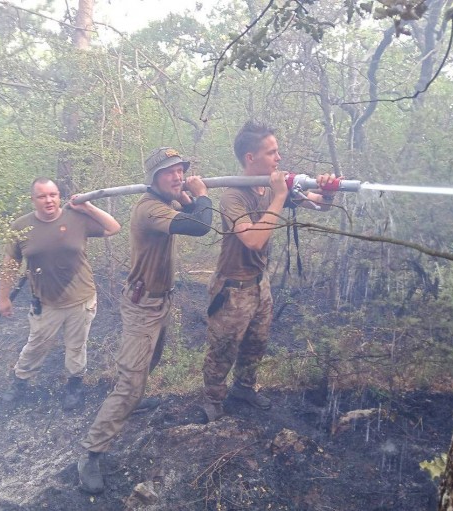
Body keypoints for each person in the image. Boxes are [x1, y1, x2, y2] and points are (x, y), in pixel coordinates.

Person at [77, 147, 213, 494]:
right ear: (153, 178)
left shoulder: (166, 202)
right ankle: (91, 452)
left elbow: (189, 210)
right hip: (143, 307)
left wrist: (185, 195)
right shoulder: (149, 209)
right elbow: (200, 225)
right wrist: (200, 196)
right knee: (130, 382)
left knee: (150, 362)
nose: (178, 176)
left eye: (181, 170)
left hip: (160, 301)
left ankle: (132, 400)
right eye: (169, 172)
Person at [201, 120, 337, 422]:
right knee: (223, 349)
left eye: (278, 152)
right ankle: (213, 399)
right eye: (272, 152)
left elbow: (320, 206)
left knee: (256, 344)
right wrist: (278, 196)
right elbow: (253, 239)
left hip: (260, 284)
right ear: (251, 158)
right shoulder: (233, 196)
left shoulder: (272, 187)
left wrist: (327, 192)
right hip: (231, 288)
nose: (279, 158)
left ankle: (244, 389)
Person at [0, 177, 121, 411]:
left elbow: (114, 227)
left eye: (53, 194)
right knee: (36, 345)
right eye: (42, 196)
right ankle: (20, 382)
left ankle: (75, 386)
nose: (49, 200)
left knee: (76, 346)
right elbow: (10, 265)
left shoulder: (76, 218)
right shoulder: (20, 227)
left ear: (59, 196)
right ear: (33, 200)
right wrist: (3, 298)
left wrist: (87, 206)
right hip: (46, 302)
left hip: (81, 298)